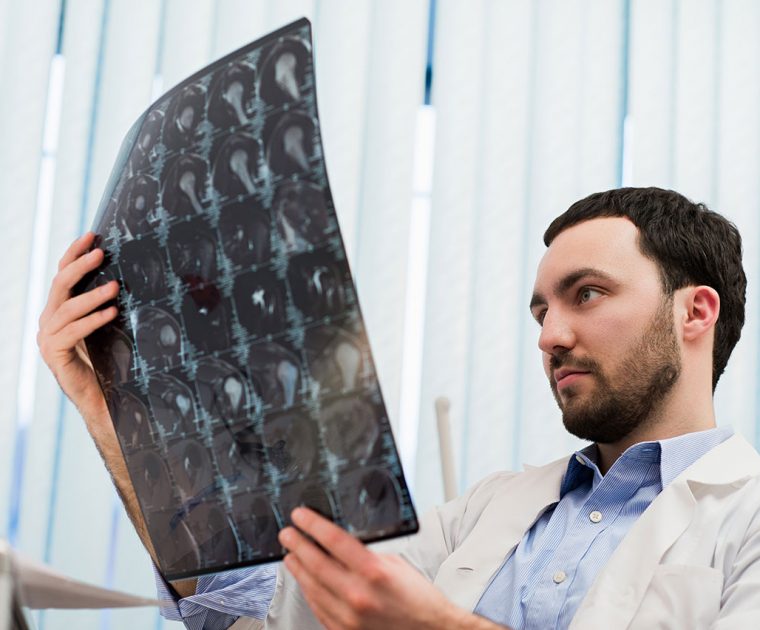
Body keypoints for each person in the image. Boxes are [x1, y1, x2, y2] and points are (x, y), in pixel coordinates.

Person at [38, 187, 760, 629]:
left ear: (694, 312)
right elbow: (249, 615)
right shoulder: (490, 510)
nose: (549, 336)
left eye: (588, 294)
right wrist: (110, 412)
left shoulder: (747, 516)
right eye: (542, 311)